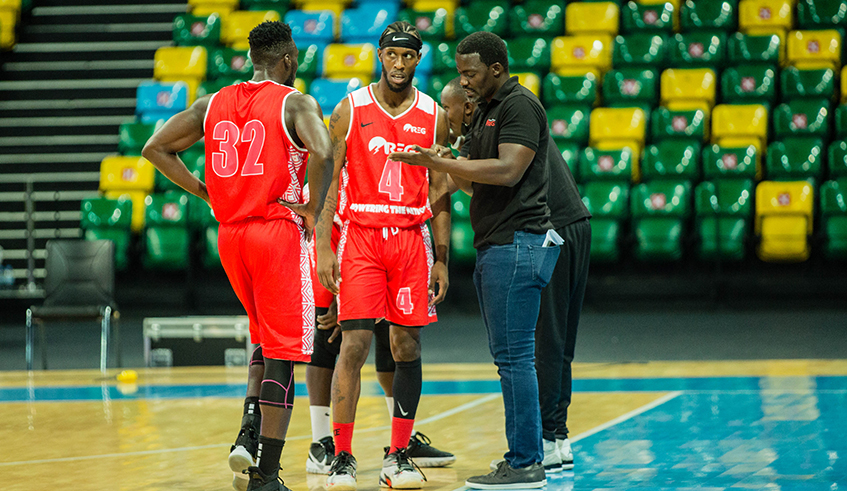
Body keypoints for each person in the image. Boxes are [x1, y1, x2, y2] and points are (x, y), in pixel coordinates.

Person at [142, 21, 333, 491]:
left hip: (230, 237)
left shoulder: (213, 102)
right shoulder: (295, 101)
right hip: (276, 232)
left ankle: (249, 431)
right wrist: (312, 205)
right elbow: (325, 150)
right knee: (287, 352)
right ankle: (266, 476)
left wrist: (205, 192)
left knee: (265, 338)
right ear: (288, 60)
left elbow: (155, 148)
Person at [389, 31, 565, 490]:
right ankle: (523, 457)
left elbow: (508, 171)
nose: (463, 82)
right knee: (511, 358)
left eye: (470, 73)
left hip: (518, 244)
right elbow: (477, 185)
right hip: (500, 245)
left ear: (496, 70)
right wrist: (446, 164)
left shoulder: (519, 105)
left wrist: (444, 165)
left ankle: (525, 462)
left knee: (515, 360)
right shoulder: (486, 110)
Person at [316, 20, 451, 491]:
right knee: (353, 345)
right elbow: (329, 185)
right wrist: (324, 247)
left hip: (413, 239)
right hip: (362, 237)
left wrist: (443, 258)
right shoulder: (349, 109)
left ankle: (398, 455)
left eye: (408, 56)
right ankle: (343, 457)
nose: (399, 63)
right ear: (380, 55)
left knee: (406, 347)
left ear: (418, 58)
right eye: (391, 55)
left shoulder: (435, 115)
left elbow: (441, 192)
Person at [440, 78, 591, 473]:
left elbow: (485, 179)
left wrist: (441, 161)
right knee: (554, 340)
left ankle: (543, 440)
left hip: (550, 228)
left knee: (542, 341)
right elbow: (471, 186)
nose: (445, 117)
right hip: (570, 224)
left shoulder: (500, 121)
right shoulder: (488, 128)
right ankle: (555, 437)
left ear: (467, 105)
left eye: (448, 108)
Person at [305, 205, 455, 475]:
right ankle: (322, 441)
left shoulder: (413, 168)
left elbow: (439, 183)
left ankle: (401, 443)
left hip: (398, 232)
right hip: (345, 233)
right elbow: (323, 195)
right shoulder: (331, 174)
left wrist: (438, 176)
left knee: (397, 341)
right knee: (331, 335)